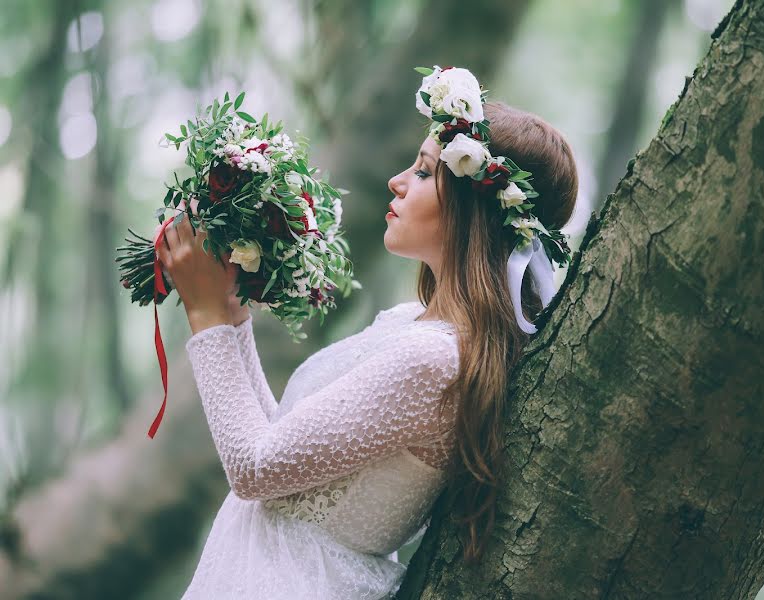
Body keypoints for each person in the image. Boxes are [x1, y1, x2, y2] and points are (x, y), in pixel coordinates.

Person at [156, 66, 578, 599]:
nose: (397, 181)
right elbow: (278, 454)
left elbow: (255, 470)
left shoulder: (435, 361)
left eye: (425, 173)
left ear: (475, 211)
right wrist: (233, 314)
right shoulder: (410, 325)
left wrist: (205, 315)